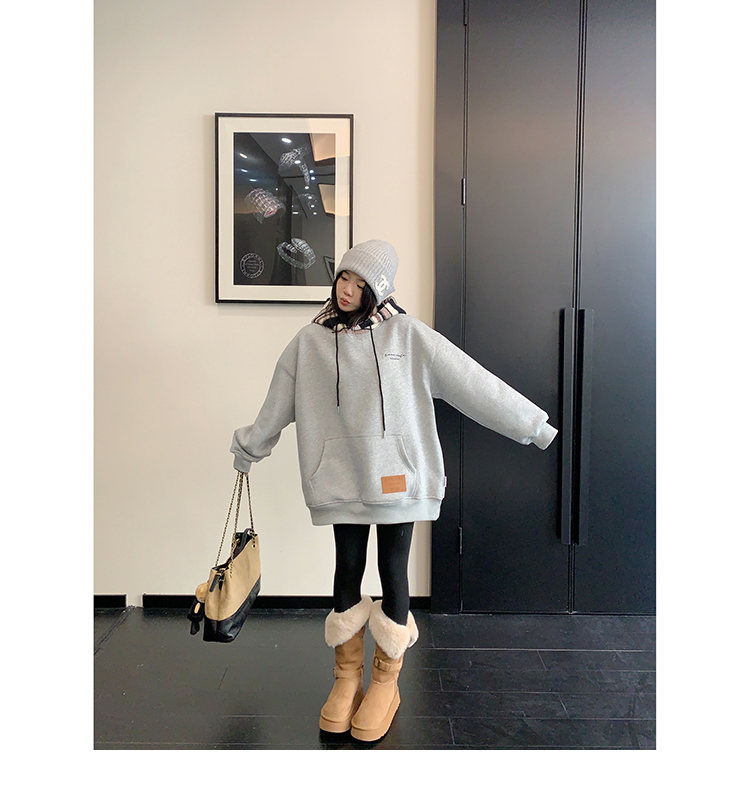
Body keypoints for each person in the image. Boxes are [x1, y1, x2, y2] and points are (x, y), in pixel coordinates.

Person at [230, 239, 557, 742]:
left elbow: (472, 382)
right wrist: (250, 447)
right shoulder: (309, 343)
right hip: (340, 478)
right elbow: (276, 404)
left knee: (392, 569)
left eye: (360, 284)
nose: (346, 290)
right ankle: (346, 679)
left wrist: (533, 425)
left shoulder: (408, 335)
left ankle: (385, 682)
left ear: (379, 290)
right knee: (346, 568)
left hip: (398, 480)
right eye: (343, 277)